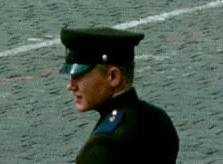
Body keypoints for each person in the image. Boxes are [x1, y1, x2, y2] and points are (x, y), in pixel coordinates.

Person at [59, 26, 178, 162]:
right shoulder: (159, 119)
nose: (71, 86)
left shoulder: (102, 147)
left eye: (78, 76)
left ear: (113, 76)